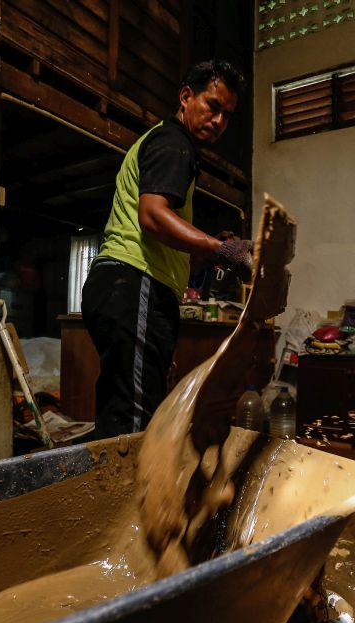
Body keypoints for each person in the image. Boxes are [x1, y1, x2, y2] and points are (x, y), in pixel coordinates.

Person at [81, 60, 252, 440]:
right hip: (134, 282)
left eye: (227, 114)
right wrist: (222, 250)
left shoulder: (164, 142)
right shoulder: (174, 142)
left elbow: (164, 229)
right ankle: (131, 499)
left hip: (123, 286)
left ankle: (111, 496)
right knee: (136, 426)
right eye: (212, 105)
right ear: (186, 97)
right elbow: (153, 216)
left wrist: (208, 248)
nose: (219, 120)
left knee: (122, 413)